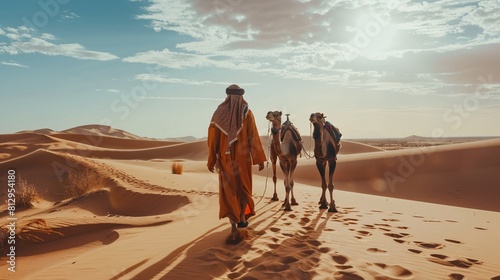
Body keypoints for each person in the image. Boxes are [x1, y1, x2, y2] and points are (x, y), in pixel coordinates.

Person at [207, 84, 267, 243]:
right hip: (243, 159)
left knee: (230, 191)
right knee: (243, 189)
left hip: (227, 161)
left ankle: (234, 223)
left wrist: (212, 159)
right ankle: (241, 218)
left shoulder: (219, 114)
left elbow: (213, 140)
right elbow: (253, 137)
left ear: (227, 96)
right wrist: (258, 158)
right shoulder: (247, 113)